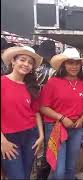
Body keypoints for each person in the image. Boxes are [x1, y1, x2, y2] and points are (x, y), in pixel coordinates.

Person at [39, 48, 83, 179]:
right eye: (70, 63)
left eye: (77, 63)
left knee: (71, 167)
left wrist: (82, 118)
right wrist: (62, 118)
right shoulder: (53, 83)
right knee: (58, 169)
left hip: (76, 128)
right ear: (64, 64)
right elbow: (43, 107)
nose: (74, 66)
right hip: (56, 127)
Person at [1, 46, 44, 179]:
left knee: (25, 176)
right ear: (13, 61)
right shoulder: (2, 82)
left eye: (30, 62)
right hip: (8, 138)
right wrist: (2, 141)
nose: (26, 64)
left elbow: (35, 112)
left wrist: (41, 136)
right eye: (22, 60)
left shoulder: (31, 86)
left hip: (30, 136)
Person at [35, 40, 57, 180]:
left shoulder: (33, 69)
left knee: (39, 146)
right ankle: (43, 174)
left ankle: (40, 174)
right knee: (48, 147)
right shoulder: (54, 72)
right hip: (48, 113)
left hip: (33, 112)